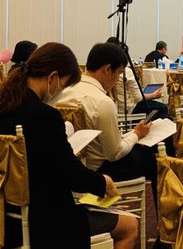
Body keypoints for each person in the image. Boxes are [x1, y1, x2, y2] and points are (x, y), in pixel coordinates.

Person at [0, 43, 137, 249]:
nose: (60, 93)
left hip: (7, 217)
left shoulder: (6, 106)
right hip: (46, 219)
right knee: (129, 226)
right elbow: (70, 174)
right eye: (63, 86)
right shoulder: (44, 116)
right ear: (53, 78)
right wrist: (102, 182)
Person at [54, 43, 160, 197]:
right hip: (99, 171)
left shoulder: (64, 92)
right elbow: (114, 153)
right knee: (156, 161)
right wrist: (136, 134)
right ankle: (160, 211)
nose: (117, 80)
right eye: (119, 73)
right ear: (108, 69)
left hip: (69, 168)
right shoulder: (102, 102)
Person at [107, 37, 169, 119]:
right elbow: (139, 98)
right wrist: (154, 95)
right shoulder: (126, 72)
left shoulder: (107, 72)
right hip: (130, 108)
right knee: (163, 107)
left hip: (116, 108)